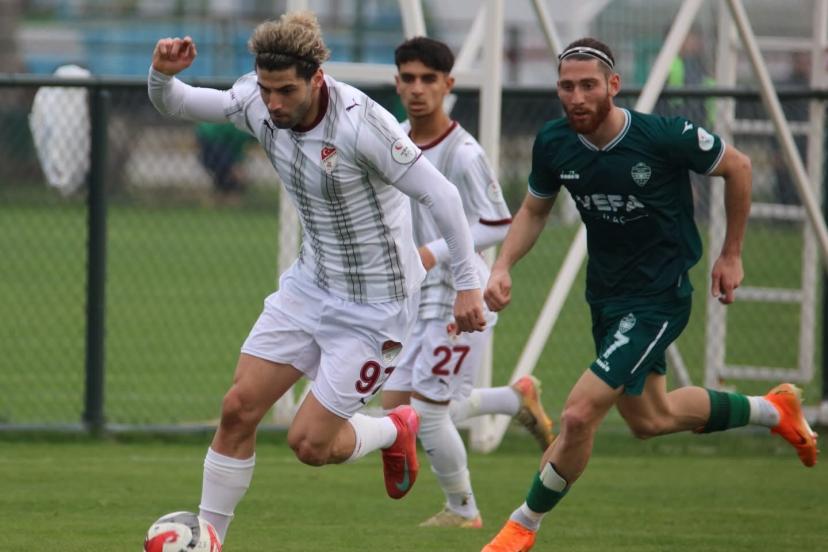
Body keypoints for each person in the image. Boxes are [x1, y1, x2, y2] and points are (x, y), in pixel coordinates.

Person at [147, 11, 488, 546]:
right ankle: (211, 540)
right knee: (238, 410)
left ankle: (394, 427)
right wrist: (162, 75)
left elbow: (442, 196)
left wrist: (468, 285)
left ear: (316, 79)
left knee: (309, 445)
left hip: (376, 309)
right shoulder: (256, 100)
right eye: (267, 89)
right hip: (310, 287)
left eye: (286, 90)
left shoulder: (362, 124)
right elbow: (178, 102)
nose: (274, 103)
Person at [480, 38, 819, 552]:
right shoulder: (554, 142)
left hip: (659, 297)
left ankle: (522, 526)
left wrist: (731, 254)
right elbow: (534, 209)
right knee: (650, 418)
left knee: (577, 414)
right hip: (606, 296)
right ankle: (775, 410)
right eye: (567, 86)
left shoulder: (663, 136)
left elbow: (740, 167)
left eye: (588, 85)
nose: (577, 97)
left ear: (613, 86)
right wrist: (503, 265)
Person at [380, 36, 556, 529]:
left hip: (460, 295)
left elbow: (497, 223)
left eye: (429, 79)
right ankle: (512, 399)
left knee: (429, 414)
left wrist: (431, 252)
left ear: (448, 84)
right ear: (397, 83)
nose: (418, 89)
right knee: (398, 410)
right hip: (413, 295)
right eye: (408, 79)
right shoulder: (393, 138)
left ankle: (464, 511)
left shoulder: (463, 153)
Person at [195, 121, 251, 203]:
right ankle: (225, 195)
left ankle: (223, 195)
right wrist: (235, 165)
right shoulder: (238, 130)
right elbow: (234, 145)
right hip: (212, 137)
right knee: (228, 171)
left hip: (210, 135)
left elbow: (236, 147)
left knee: (225, 172)